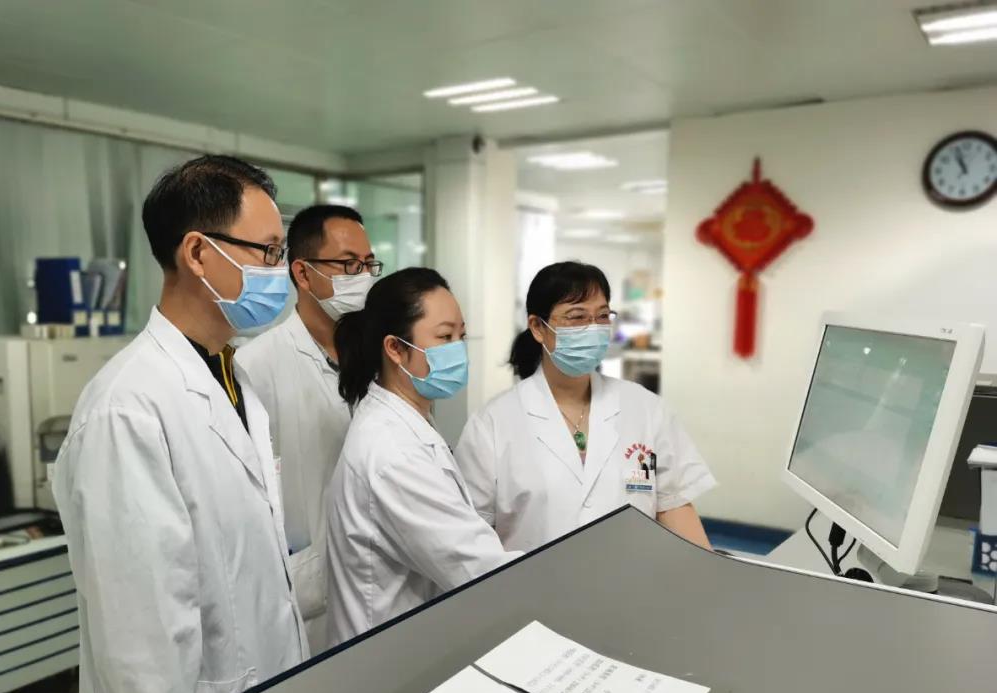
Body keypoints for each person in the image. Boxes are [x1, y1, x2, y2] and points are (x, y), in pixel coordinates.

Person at [52, 155, 307, 693]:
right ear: (197, 253)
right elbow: (143, 650)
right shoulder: (126, 410)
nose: (280, 274)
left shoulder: (230, 376)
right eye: (268, 253)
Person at [454, 261, 716, 553]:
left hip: (630, 579)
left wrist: (708, 572)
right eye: (577, 317)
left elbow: (673, 504)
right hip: (535, 582)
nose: (593, 328)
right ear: (538, 328)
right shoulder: (493, 423)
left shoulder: (645, 409)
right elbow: (474, 532)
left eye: (602, 316)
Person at [326, 267, 522, 646]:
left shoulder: (406, 423)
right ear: (395, 349)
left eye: (461, 336)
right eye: (444, 337)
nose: (458, 349)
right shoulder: (392, 452)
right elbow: (476, 566)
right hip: (386, 656)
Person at [237, 204, 380, 653]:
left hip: (386, 582)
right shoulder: (255, 367)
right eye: (349, 265)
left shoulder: (382, 357)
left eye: (369, 264)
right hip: (311, 597)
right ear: (302, 272)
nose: (363, 277)